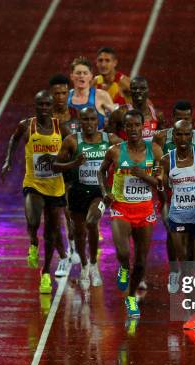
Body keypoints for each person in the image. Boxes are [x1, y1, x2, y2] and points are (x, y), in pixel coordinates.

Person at [1, 90, 72, 293]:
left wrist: (67, 164)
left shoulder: (62, 128)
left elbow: (74, 148)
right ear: (35, 106)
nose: (43, 109)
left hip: (55, 186)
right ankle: (33, 242)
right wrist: (8, 160)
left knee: (51, 232)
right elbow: (14, 140)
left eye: (46, 105)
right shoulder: (26, 125)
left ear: (52, 107)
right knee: (33, 219)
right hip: (33, 182)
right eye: (39, 105)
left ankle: (46, 274)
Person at [98, 109, 163, 318]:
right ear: (124, 129)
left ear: (143, 127)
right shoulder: (116, 151)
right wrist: (105, 192)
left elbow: (162, 183)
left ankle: (132, 297)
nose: (133, 129)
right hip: (121, 208)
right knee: (124, 252)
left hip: (145, 210)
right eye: (129, 126)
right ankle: (123, 267)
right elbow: (101, 172)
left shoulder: (155, 151)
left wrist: (145, 176)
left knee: (142, 261)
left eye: (137, 125)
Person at [157, 120, 195, 330]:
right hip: (178, 218)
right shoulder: (167, 160)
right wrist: (160, 183)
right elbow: (162, 185)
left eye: (186, 135)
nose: (182, 139)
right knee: (185, 266)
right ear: (173, 137)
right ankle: (193, 311)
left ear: (191, 137)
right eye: (178, 135)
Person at [53, 107, 122, 291]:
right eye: (85, 120)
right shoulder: (72, 141)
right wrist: (73, 164)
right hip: (76, 193)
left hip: (98, 194)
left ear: (98, 121)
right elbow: (55, 166)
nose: (89, 123)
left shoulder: (110, 141)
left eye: (93, 119)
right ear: (80, 121)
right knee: (79, 233)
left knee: (92, 223)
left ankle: (93, 264)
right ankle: (84, 266)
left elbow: (129, 154)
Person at [152, 100, 195, 289]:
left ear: (191, 119)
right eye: (178, 118)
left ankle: (188, 269)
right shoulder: (161, 138)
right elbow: (157, 166)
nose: (182, 121)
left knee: (190, 237)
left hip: (194, 195)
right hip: (170, 195)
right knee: (173, 233)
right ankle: (174, 271)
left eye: (186, 118)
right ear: (173, 118)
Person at [49, 74, 81, 264]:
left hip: (71, 171)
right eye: (56, 94)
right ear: (51, 95)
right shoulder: (44, 118)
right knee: (54, 215)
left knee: (70, 211)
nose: (60, 97)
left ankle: (73, 247)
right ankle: (61, 254)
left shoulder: (77, 115)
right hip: (51, 172)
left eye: (63, 93)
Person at [108, 76, 165, 141]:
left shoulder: (158, 115)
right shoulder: (120, 113)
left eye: (142, 88)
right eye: (134, 88)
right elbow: (109, 138)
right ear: (130, 91)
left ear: (148, 91)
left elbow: (162, 139)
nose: (138, 91)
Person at [67, 57, 114, 130]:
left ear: (91, 76)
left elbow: (118, 118)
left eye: (85, 73)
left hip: (97, 140)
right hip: (72, 140)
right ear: (71, 76)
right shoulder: (65, 97)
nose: (81, 76)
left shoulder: (101, 95)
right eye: (78, 73)